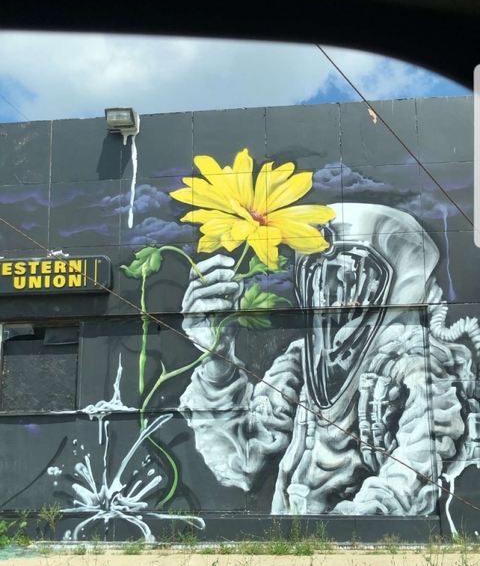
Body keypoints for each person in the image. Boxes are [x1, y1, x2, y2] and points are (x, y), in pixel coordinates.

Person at [179, 203, 480, 528]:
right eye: (321, 278)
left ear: (400, 286)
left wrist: (338, 531)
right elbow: (241, 460)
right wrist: (217, 357)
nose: (334, 299)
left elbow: (409, 479)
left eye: (350, 279)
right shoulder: (300, 363)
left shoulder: (416, 368)